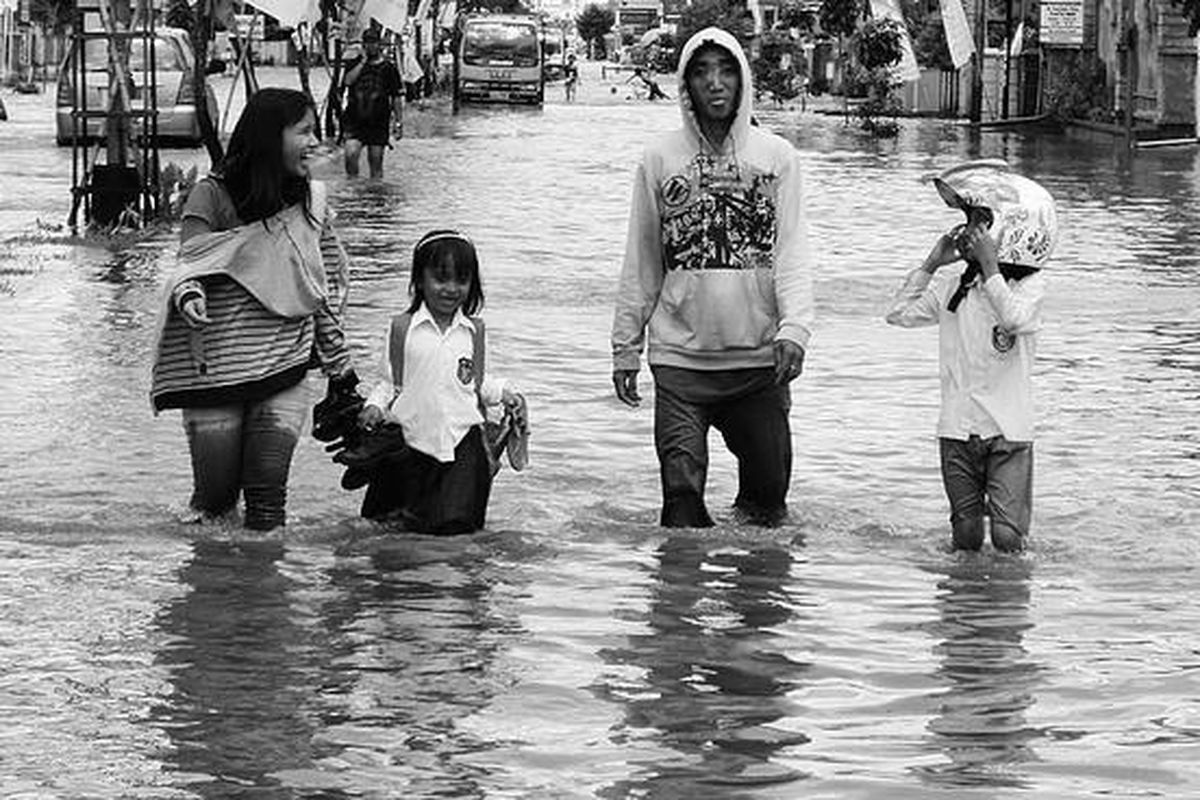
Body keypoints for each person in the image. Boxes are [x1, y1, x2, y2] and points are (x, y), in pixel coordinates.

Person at [610, 27, 815, 528]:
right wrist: (624, 345)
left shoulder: (776, 158)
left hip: (758, 363)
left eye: (726, 70)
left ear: (743, 80)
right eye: (701, 72)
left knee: (767, 508)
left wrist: (796, 329)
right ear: (685, 85)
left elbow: (792, 252)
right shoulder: (660, 159)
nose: (715, 83)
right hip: (680, 362)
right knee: (680, 506)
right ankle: (676, 600)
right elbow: (642, 256)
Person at [151, 87, 359, 532]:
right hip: (217, 369)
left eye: (315, 131)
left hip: (285, 364)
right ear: (270, 135)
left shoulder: (312, 202)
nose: (313, 142)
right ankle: (214, 590)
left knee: (267, 500)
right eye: (303, 131)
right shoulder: (211, 196)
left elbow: (318, 289)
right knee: (215, 503)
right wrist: (190, 296)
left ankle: (263, 597)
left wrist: (341, 368)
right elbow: (188, 265)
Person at [885, 159, 1058, 553]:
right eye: (969, 221)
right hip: (957, 428)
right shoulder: (953, 286)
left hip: (1008, 430)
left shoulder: (1030, 289)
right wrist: (931, 264)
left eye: (980, 222)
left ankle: (1007, 603)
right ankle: (964, 607)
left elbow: (1013, 320)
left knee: (1006, 537)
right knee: (964, 536)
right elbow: (898, 314)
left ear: (1012, 227)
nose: (969, 232)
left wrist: (991, 266)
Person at [350, 230, 528, 534]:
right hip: (409, 442)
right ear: (420, 279)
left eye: (461, 280)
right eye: (441, 278)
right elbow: (389, 384)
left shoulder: (474, 331)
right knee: (394, 529)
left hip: (463, 445)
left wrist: (505, 394)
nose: (451, 289)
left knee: (458, 532)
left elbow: (476, 382)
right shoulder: (401, 329)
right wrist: (374, 408)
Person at [341, 26, 404, 179]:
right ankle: (353, 188)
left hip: (378, 122)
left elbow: (396, 96)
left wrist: (398, 122)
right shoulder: (354, 63)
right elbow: (348, 81)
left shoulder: (389, 68)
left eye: (374, 42)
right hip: (355, 120)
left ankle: (374, 196)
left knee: (375, 161)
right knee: (350, 153)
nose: (371, 46)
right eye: (367, 43)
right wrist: (362, 62)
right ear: (363, 45)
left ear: (380, 44)